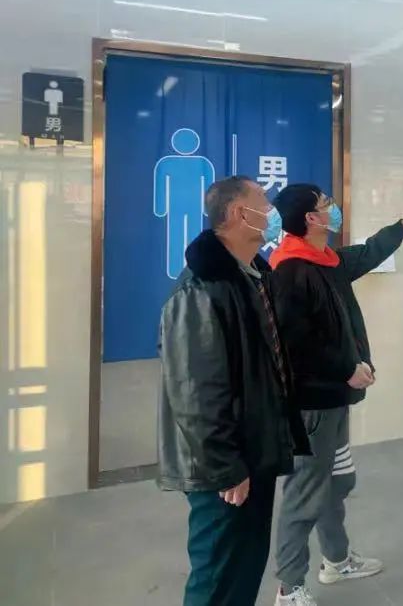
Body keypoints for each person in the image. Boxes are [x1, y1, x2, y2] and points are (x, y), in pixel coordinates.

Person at [268, 185, 403, 606]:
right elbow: (294, 344)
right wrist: (346, 368)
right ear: (311, 219)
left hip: (334, 400)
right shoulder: (290, 269)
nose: (333, 209)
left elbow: (367, 253)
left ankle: (336, 560)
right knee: (305, 492)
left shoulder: (326, 260)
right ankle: (289, 588)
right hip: (312, 406)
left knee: (337, 481)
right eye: (326, 205)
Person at [158, 176, 309, 606]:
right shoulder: (201, 288)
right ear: (242, 214)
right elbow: (195, 392)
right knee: (217, 575)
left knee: (245, 566)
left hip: (252, 452)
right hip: (222, 468)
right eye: (264, 202)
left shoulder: (252, 275)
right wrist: (225, 467)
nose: (272, 211)